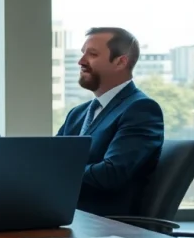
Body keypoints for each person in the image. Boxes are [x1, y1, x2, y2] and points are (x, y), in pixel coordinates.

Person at [56, 27, 164, 216]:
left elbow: (111, 174)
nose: (81, 61)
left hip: (105, 224)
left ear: (120, 62)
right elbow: (50, 159)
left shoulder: (141, 109)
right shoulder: (77, 113)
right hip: (65, 213)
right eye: (83, 53)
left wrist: (58, 173)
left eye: (92, 54)